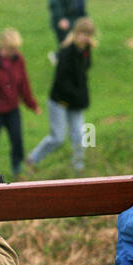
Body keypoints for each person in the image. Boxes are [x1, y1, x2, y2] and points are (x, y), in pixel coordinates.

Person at [27, 18, 95, 173]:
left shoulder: (86, 51)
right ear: (76, 33)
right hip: (60, 101)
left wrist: (81, 98)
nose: (84, 38)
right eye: (82, 34)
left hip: (76, 103)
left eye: (88, 34)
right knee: (58, 138)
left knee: (79, 134)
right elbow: (62, 82)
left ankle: (79, 167)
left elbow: (83, 73)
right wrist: (77, 96)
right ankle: (32, 159)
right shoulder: (66, 53)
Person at [0, 27, 38, 180]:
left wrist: (31, 104)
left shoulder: (18, 60)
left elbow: (24, 82)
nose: (14, 52)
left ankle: (17, 168)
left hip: (12, 108)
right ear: (2, 45)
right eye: (11, 49)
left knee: (17, 138)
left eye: (16, 49)